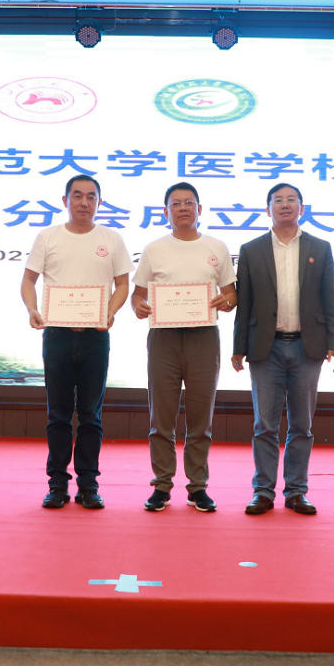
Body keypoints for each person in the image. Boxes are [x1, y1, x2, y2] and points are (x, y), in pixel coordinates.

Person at [21, 175, 132, 510]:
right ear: (65, 200)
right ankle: (57, 485)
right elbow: (28, 280)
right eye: (78, 196)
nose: (84, 202)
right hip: (57, 335)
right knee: (57, 415)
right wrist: (32, 309)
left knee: (90, 416)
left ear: (99, 202)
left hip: (95, 337)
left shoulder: (111, 238)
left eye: (91, 197)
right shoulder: (48, 237)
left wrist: (109, 312)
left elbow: (122, 285)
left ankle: (88, 485)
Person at [231, 183, 334, 515]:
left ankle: (296, 491)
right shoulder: (251, 249)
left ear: (301, 208)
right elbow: (245, 304)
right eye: (277, 200)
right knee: (264, 425)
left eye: (291, 199)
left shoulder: (320, 247)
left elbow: (330, 298)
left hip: (308, 347)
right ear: (268, 209)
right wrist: (238, 347)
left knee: (302, 426)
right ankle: (263, 492)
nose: (284, 204)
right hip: (266, 348)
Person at [131, 182, 237, 513]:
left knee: (200, 416)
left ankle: (197, 487)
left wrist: (227, 300)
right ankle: (162, 485)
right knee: (161, 416)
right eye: (175, 204)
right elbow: (138, 294)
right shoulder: (154, 249)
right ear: (166, 212)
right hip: (163, 338)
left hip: (204, 337)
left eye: (189, 202)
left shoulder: (217, 247)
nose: (182, 208)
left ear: (199, 209)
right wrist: (139, 306)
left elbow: (231, 293)